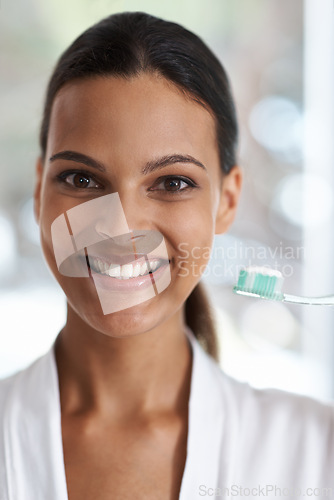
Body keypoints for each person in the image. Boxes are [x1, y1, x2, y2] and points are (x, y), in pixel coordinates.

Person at [0, 11, 333, 500]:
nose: (120, 228)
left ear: (229, 201)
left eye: (173, 183)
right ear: (38, 189)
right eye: (81, 179)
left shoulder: (315, 452)